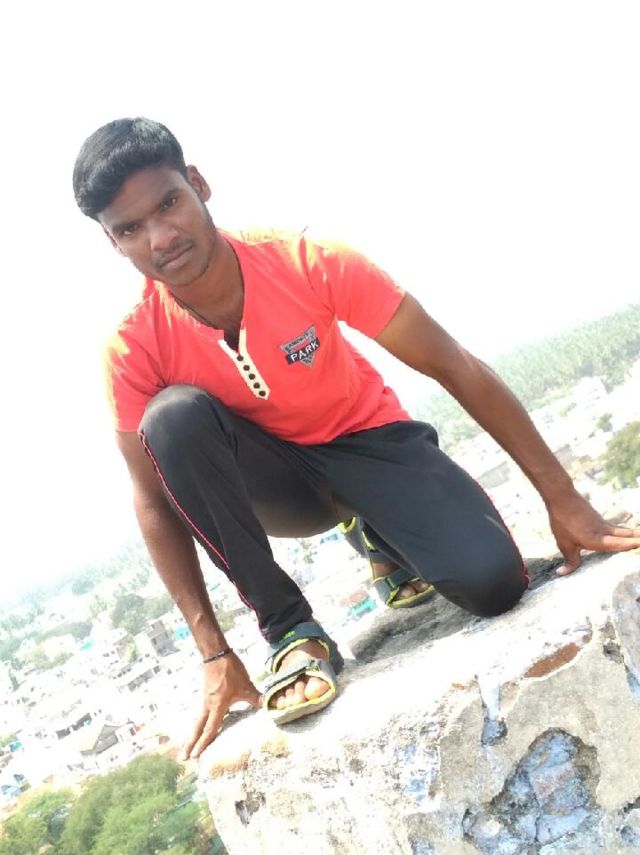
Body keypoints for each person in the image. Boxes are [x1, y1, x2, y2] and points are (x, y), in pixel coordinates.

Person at [73, 117, 640, 759]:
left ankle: (378, 533)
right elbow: (152, 496)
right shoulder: (134, 345)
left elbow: (453, 363)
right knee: (170, 420)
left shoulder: (305, 261)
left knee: (494, 585)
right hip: (279, 487)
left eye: (168, 203)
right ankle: (292, 632)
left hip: (370, 444)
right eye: (130, 229)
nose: (160, 237)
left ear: (198, 184)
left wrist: (564, 500)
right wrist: (212, 652)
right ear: (112, 241)